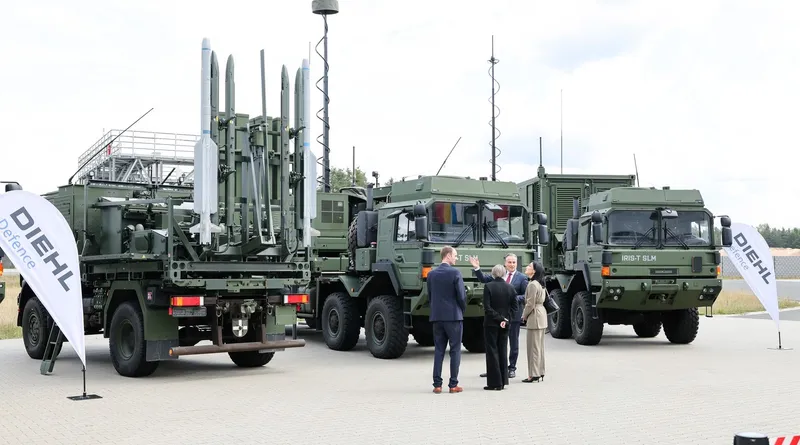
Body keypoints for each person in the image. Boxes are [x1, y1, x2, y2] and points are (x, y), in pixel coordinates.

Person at [470, 253, 528, 379]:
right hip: (496, 317)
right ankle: (494, 369)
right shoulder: (499, 275)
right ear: (505, 263)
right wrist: (477, 268)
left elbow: (525, 295)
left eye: (514, 262)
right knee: (495, 343)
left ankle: (511, 368)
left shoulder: (522, 278)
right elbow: (484, 280)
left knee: (513, 342)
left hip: (513, 316)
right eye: (509, 262)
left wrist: (512, 298)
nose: (512, 265)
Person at [427, 245, 467, 394]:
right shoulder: (455, 273)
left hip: (437, 317)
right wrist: (461, 310)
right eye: (455, 255)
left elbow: (430, 295)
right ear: (448, 255)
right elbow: (461, 296)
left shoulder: (431, 274)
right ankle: (453, 384)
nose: (456, 258)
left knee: (439, 350)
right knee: (455, 350)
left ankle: (437, 385)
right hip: (453, 317)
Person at [482, 264, 519, 390]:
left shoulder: (488, 286)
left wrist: (499, 319)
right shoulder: (511, 287)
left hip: (491, 324)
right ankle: (503, 381)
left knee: (492, 351)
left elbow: (487, 308)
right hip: (505, 324)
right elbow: (515, 307)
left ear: (493, 274)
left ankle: (494, 383)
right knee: (503, 350)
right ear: (504, 274)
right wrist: (506, 320)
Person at [521, 261, 547, 383]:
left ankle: (534, 373)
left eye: (529, 266)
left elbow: (530, 303)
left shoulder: (532, 285)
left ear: (534, 271)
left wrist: (524, 316)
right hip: (541, 315)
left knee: (533, 348)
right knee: (539, 347)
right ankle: (540, 371)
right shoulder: (540, 284)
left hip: (535, 316)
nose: (527, 267)